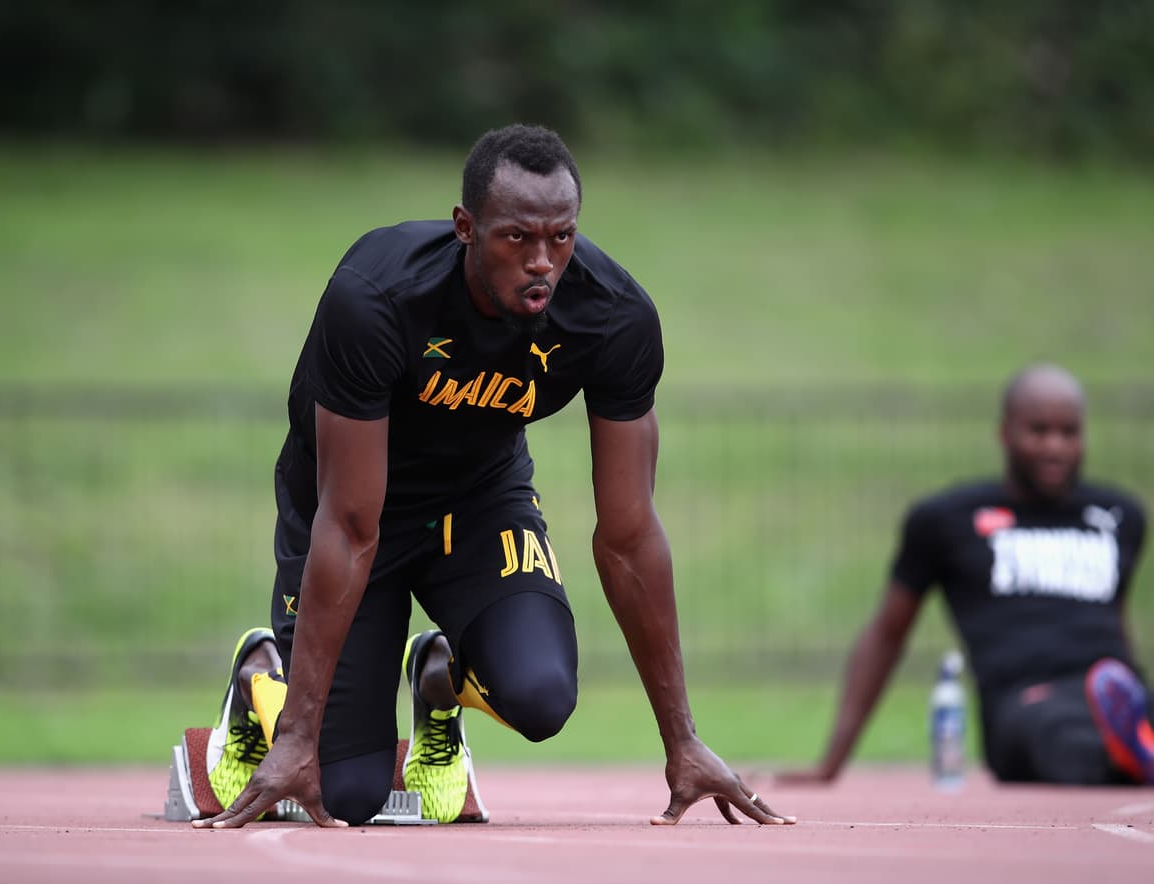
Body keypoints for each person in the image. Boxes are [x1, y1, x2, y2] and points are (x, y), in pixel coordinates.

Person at [193, 123, 793, 829]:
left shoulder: (613, 317)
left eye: (561, 238)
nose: (543, 261)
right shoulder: (377, 298)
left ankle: (438, 685)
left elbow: (629, 536)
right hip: (348, 510)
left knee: (541, 698)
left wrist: (682, 739)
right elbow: (352, 525)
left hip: (480, 502)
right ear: (466, 228)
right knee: (348, 792)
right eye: (517, 238)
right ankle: (261, 680)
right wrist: (295, 735)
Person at [778, 363, 1154, 786]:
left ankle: (1137, 746)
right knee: (1063, 741)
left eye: (1069, 432)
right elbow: (887, 634)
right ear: (1005, 433)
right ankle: (1133, 755)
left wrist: (1127, 682)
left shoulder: (1119, 516)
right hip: (1026, 704)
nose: (1054, 446)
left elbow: (1114, 619)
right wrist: (830, 764)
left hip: (1125, 701)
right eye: (1038, 431)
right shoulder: (947, 519)